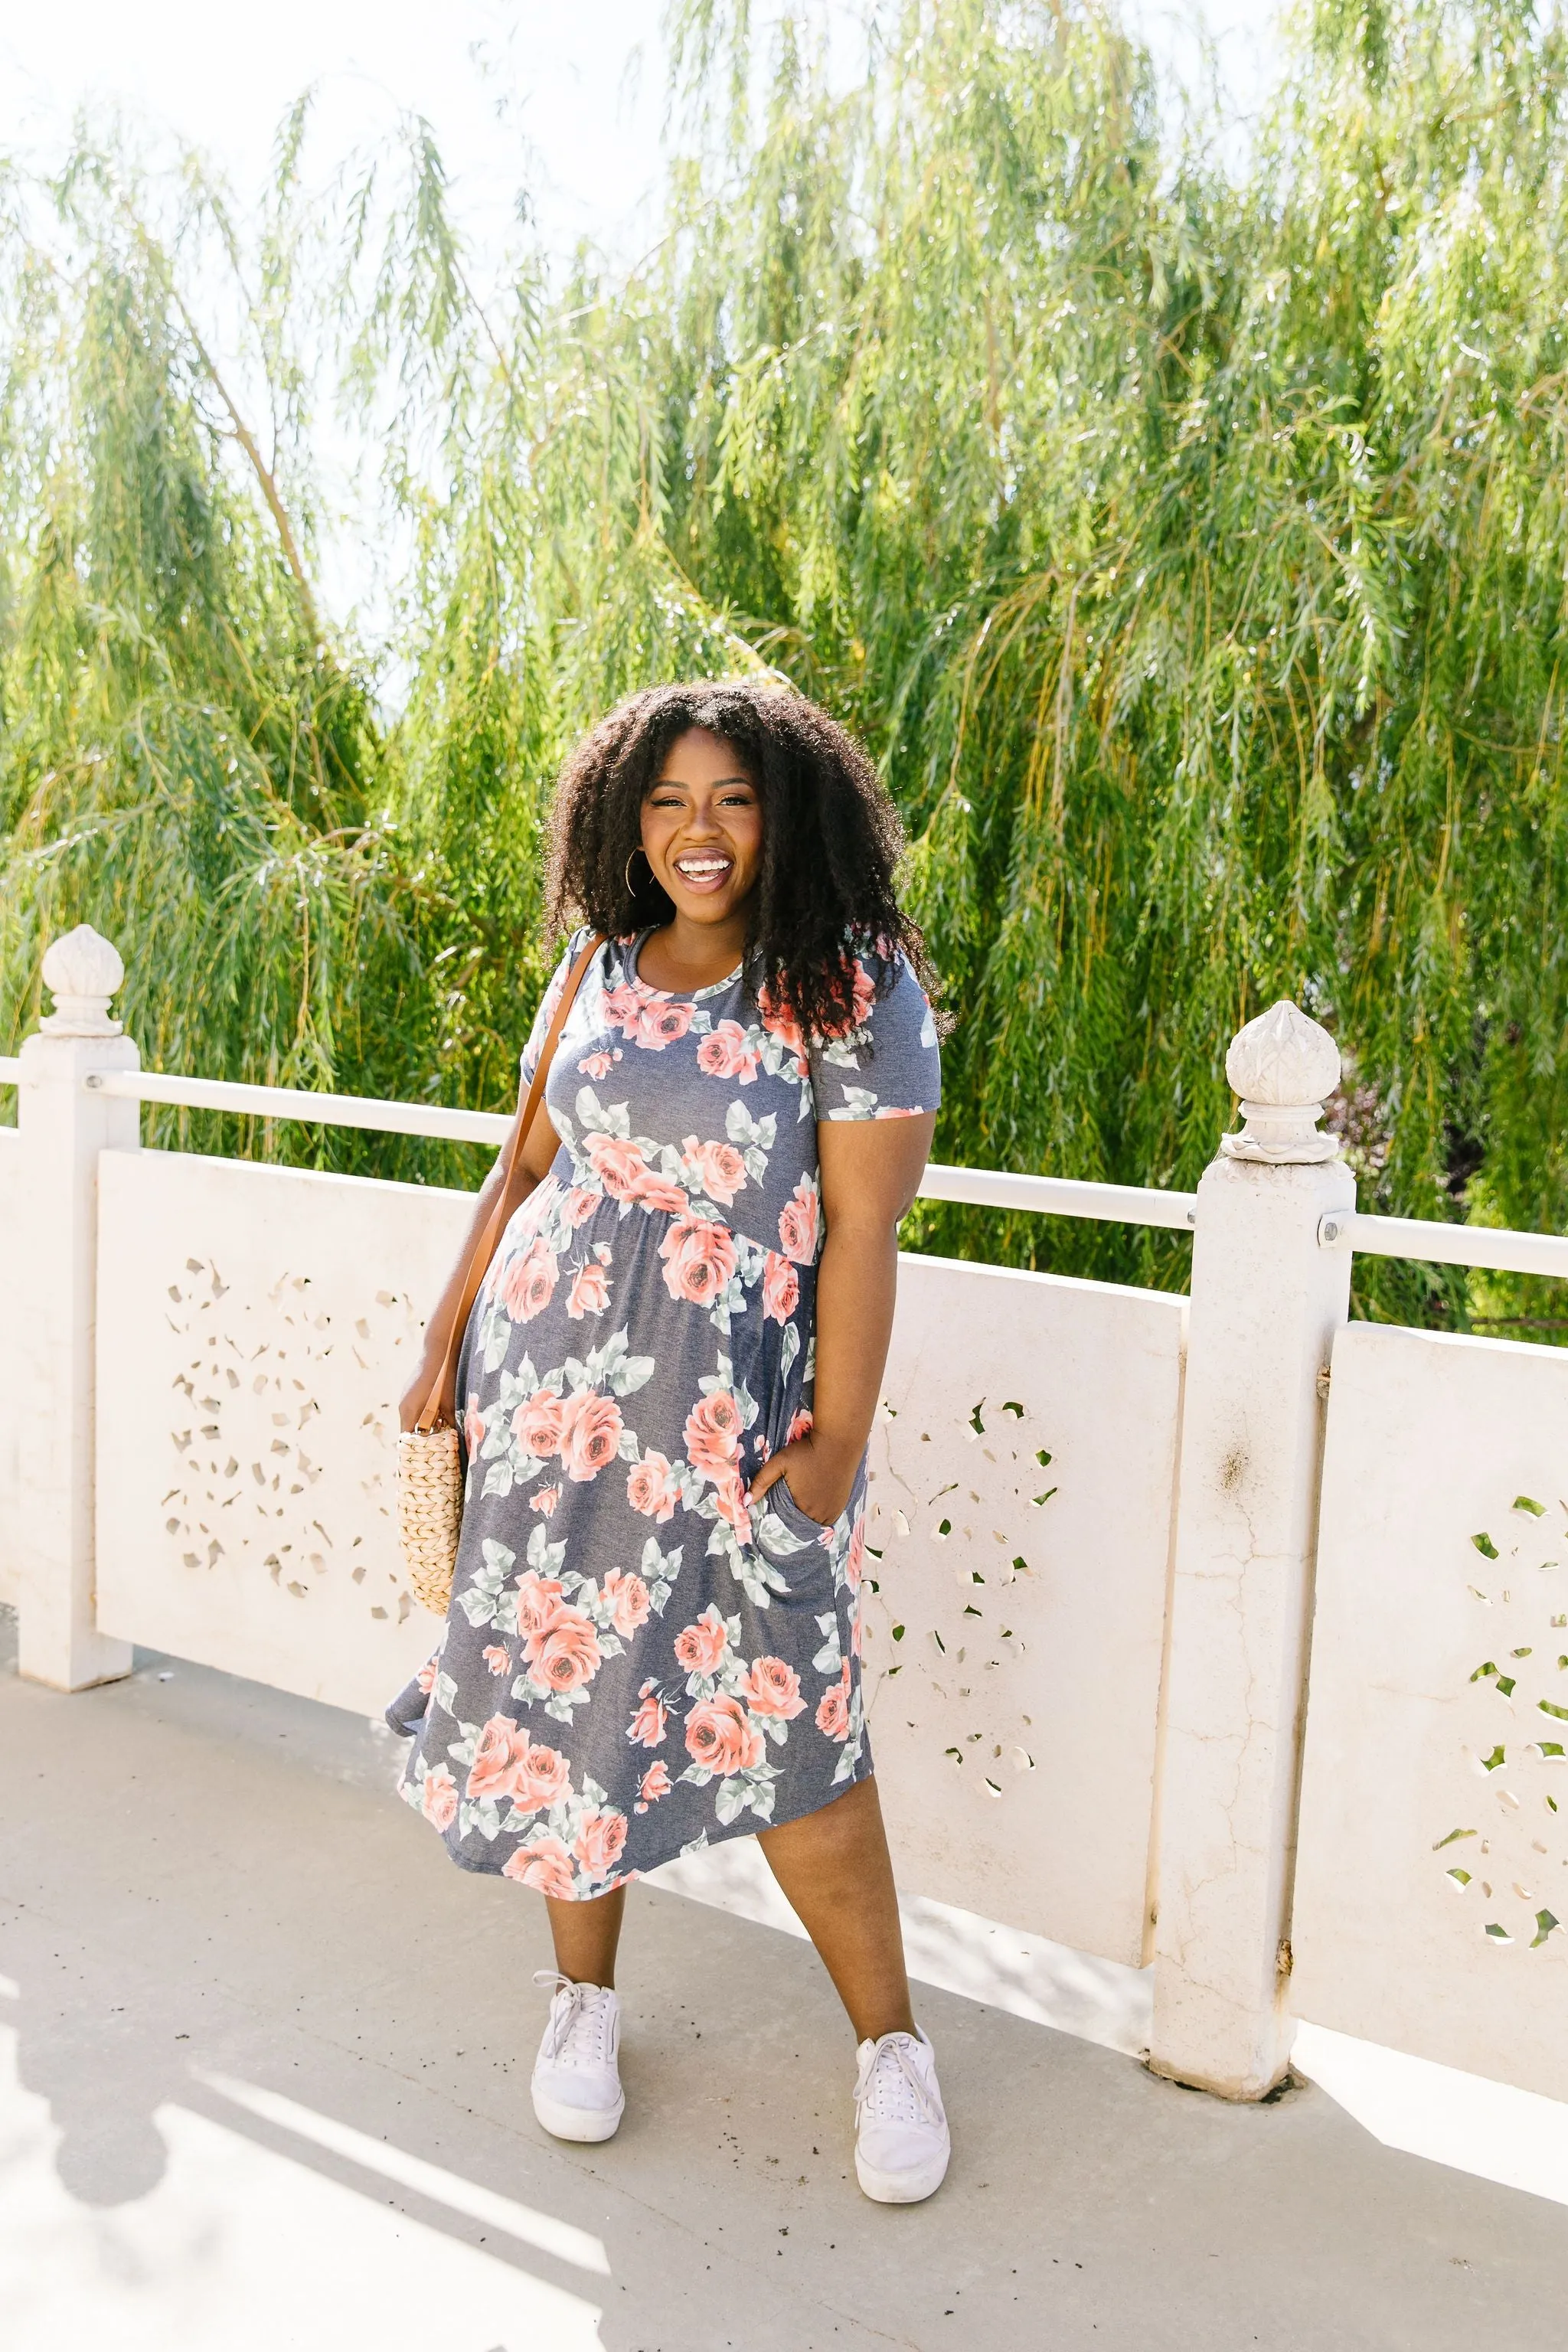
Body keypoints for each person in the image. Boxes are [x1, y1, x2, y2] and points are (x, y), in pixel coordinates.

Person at [388, 678, 949, 2203]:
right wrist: (447, 1337)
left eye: (732, 800)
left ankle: (890, 2046)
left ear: (788, 813)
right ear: (624, 821)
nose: (698, 832)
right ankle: (582, 2003)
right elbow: (520, 1168)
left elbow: (860, 1231)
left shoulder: (849, 978)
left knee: (792, 1719)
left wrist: (832, 1444)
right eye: (666, 803)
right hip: (546, 1404)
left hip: (732, 1415)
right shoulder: (594, 961)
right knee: (568, 1692)